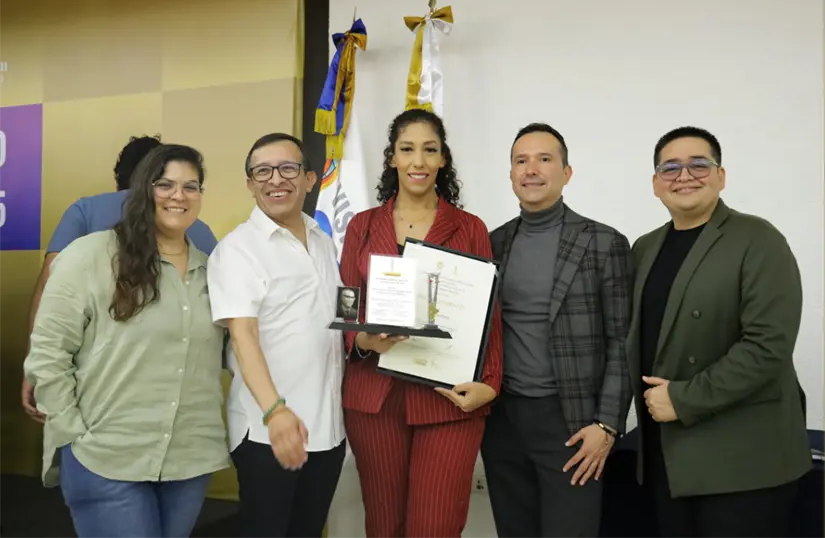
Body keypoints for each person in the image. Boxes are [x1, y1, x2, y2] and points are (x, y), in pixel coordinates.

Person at [23, 144, 230, 538]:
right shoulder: (90, 256)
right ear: (140, 190)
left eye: (191, 186)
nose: (179, 195)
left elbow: (234, 351)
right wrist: (72, 432)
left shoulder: (214, 270)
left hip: (189, 459)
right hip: (106, 457)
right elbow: (48, 352)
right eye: (164, 184)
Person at [627, 126, 811, 538]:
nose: (685, 176)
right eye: (670, 168)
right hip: (668, 458)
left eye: (699, 164)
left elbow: (768, 347)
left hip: (744, 462)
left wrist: (683, 397)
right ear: (656, 184)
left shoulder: (758, 239)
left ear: (721, 176)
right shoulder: (644, 248)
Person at [338, 108, 503, 538]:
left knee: (436, 526)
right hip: (374, 398)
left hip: (446, 398)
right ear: (391, 157)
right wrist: (364, 339)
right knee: (383, 525)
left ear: (443, 159)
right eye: (407, 149)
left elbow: (490, 314)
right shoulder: (361, 226)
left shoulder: (470, 228)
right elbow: (347, 307)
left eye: (430, 150)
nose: (418, 161)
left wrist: (490, 383)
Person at [481, 123, 633, 538]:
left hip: (572, 425)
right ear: (511, 174)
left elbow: (623, 343)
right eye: (521, 160)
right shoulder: (491, 244)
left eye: (544, 159)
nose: (531, 169)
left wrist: (606, 425)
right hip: (504, 422)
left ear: (566, 173)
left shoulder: (604, 242)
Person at [21, 135, 218, 423]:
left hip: (94, 397)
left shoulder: (86, 211)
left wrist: (34, 365)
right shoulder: (196, 226)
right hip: (179, 403)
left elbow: (50, 289)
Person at [206, 133, 345, 538]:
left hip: (327, 430)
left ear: (310, 179)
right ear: (250, 184)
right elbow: (242, 337)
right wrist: (275, 411)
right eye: (262, 171)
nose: (275, 180)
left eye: (287, 168)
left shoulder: (322, 241)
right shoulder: (238, 250)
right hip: (268, 431)